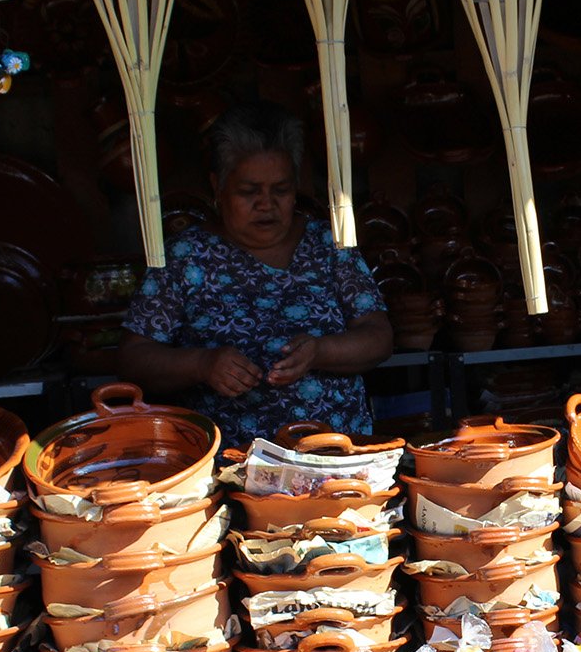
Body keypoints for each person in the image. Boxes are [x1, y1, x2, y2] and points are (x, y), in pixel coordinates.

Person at [118, 101, 392, 445]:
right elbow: (133, 357)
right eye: (249, 191)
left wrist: (321, 351)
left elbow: (378, 336)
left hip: (335, 454)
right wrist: (202, 364)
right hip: (228, 461)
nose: (266, 203)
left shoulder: (331, 244)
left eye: (281, 189)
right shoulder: (185, 257)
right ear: (217, 186)